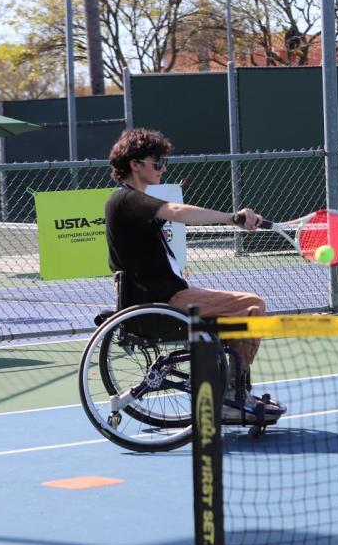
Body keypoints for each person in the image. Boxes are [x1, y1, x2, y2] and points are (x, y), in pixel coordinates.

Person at [105, 128, 283, 423]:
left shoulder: (131, 203)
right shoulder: (126, 200)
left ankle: (232, 388)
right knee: (253, 306)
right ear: (135, 164)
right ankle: (230, 395)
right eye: (157, 163)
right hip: (164, 302)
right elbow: (176, 211)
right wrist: (231, 218)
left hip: (164, 297)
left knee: (242, 313)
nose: (162, 169)